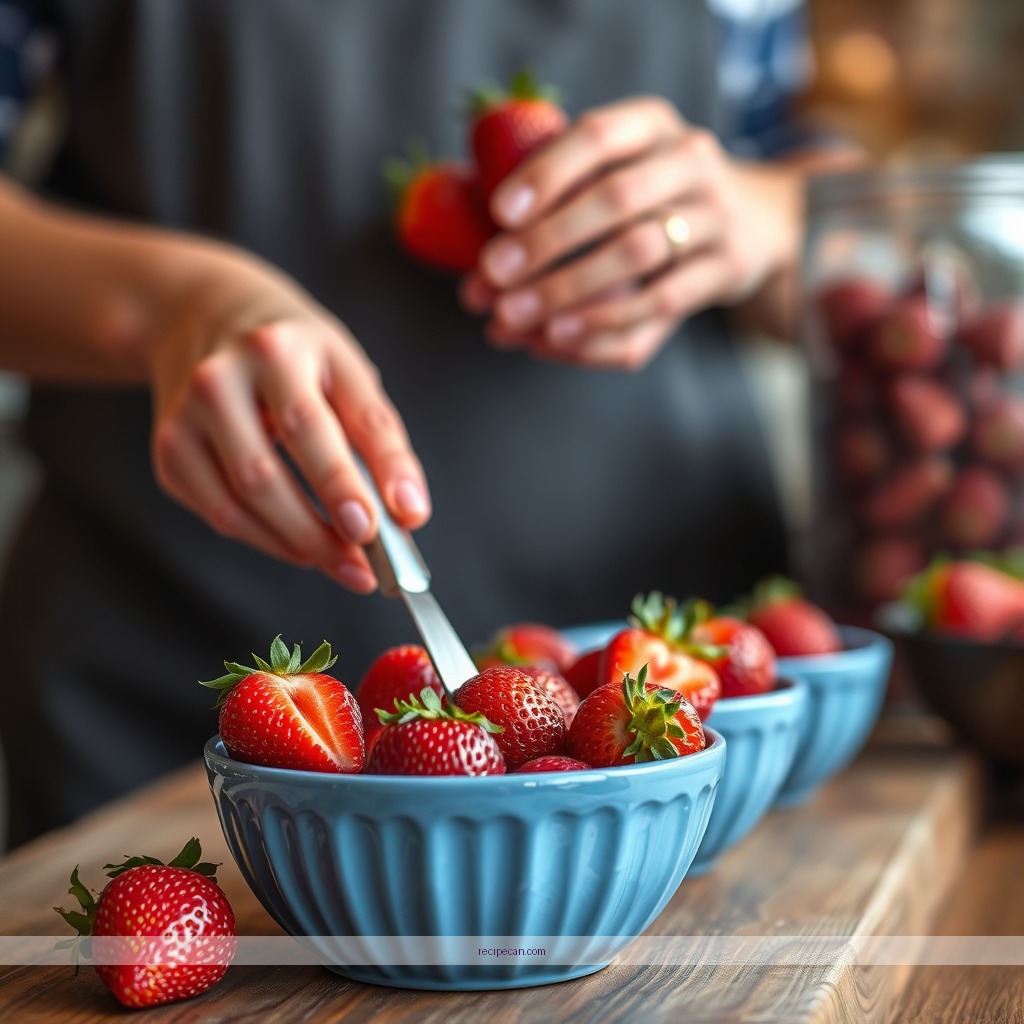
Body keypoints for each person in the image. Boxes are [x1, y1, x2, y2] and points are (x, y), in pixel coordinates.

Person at [0, 0, 850, 848]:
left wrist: (773, 215)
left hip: (686, 711)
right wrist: (166, 307)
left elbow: (795, 168)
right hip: (170, 693)